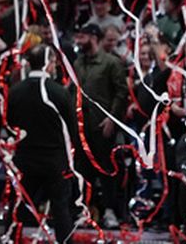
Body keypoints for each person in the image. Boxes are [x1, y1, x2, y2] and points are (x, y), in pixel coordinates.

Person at [7, 44, 78, 241]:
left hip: (25, 159)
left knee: (19, 207)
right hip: (54, 161)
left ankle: (10, 238)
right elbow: (72, 128)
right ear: (49, 63)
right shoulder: (59, 92)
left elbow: (10, 124)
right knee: (61, 208)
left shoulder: (15, 91)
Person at [72, 22, 127, 229]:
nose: (78, 41)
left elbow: (121, 93)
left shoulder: (111, 63)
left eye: (82, 37)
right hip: (82, 126)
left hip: (102, 125)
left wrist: (112, 118)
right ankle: (87, 210)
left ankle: (110, 210)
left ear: (94, 37)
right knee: (83, 171)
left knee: (106, 170)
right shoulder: (78, 63)